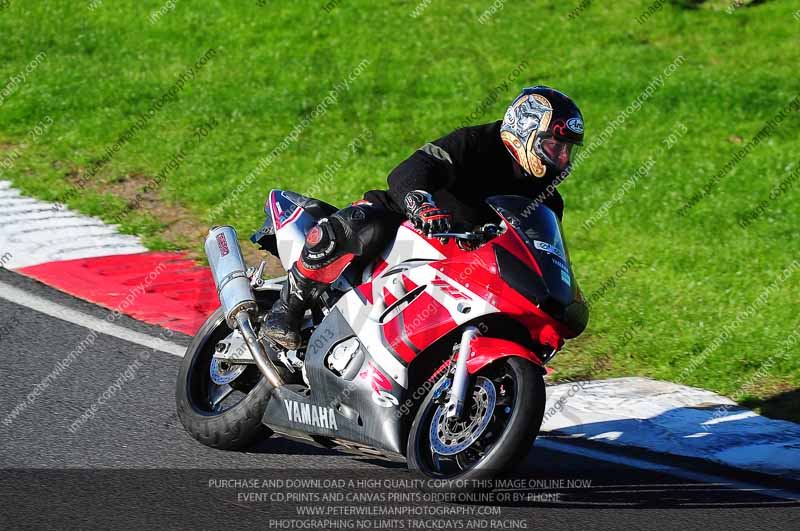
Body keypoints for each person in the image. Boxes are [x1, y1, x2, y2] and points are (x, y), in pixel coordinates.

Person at [263, 86, 584, 350]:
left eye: (568, 149)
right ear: (525, 132)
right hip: (406, 222)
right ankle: (287, 309)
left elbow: (540, 251)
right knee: (364, 225)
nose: (563, 158)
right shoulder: (475, 143)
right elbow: (412, 170)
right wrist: (420, 201)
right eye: (555, 146)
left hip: (461, 258)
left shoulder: (548, 199)